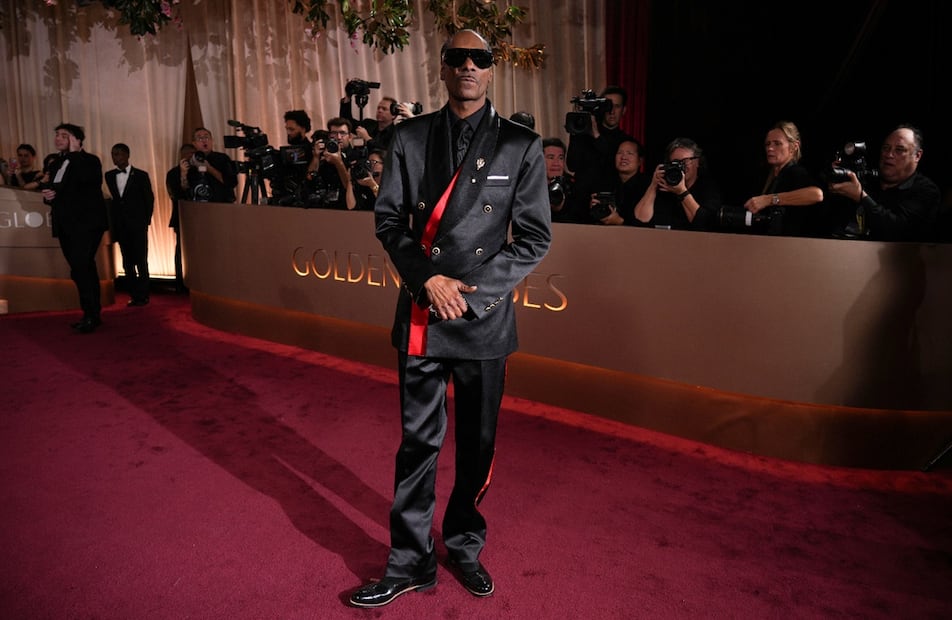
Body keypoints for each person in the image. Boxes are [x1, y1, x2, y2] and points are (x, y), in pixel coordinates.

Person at [349, 29, 551, 608]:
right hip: (422, 312)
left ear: (491, 71)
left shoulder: (520, 145)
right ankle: (409, 561)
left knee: (478, 446)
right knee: (417, 444)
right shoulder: (408, 138)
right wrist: (428, 280)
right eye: (456, 58)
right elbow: (389, 222)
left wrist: (469, 293)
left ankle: (463, 541)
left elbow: (534, 238)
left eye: (479, 58)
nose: (467, 66)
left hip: (482, 319)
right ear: (441, 69)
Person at [40, 123, 108, 333]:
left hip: (87, 223)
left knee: (80, 265)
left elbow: (89, 182)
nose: (59, 139)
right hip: (65, 224)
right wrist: (48, 196)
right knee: (82, 267)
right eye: (57, 135)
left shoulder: (89, 161)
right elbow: (54, 191)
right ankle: (92, 312)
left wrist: (75, 154)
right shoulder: (55, 163)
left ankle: (90, 314)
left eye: (64, 135)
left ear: (77, 140)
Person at [827, 124, 940, 242]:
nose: (889, 155)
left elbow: (898, 231)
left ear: (917, 155)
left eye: (899, 150)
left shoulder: (926, 191)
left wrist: (861, 197)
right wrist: (838, 177)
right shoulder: (866, 180)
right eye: (886, 148)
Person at [742, 121, 823, 236]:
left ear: (794, 147)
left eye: (777, 143)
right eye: (768, 144)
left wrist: (770, 199)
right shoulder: (770, 177)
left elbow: (816, 194)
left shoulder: (796, 172)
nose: (770, 148)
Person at [633, 137, 721, 230]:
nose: (681, 167)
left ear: (697, 162)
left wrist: (682, 192)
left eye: (685, 161)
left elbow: (704, 223)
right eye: (675, 163)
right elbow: (639, 220)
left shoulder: (707, 188)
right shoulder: (663, 188)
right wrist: (653, 185)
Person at [105, 143, 155, 306]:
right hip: (121, 225)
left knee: (141, 260)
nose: (115, 157)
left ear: (127, 155)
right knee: (127, 261)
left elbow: (149, 199)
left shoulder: (141, 175)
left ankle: (144, 294)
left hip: (138, 224)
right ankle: (134, 294)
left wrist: (145, 221)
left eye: (118, 154)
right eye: (113, 154)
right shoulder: (109, 175)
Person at [565, 85, 635, 192]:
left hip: (610, 199)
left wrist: (596, 135)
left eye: (617, 106)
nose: (612, 111)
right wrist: (577, 132)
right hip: (581, 200)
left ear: (624, 110)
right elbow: (572, 165)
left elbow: (613, 165)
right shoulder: (583, 135)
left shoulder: (626, 142)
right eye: (608, 106)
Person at [586, 138, 650, 226]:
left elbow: (649, 225)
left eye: (629, 153)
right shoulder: (605, 184)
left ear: (640, 161)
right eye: (620, 153)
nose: (623, 157)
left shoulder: (648, 187)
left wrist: (620, 222)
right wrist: (595, 210)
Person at [166, 143, 196, 292]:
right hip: (181, 217)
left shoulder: (200, 170)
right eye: (188, 154)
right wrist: (183, 176)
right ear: (182, 155)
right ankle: (180, 283)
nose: (191, 157)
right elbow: (176, 195)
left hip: (201, 218)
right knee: (181, 250)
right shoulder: (173, 173)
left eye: (193, 153)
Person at [181, 127, 237, 203]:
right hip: (198, 207)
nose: (204, 141)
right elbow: (185, 191)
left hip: (222, 205)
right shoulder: (191, 162)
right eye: (200, 138)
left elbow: (232, 182)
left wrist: (209, 168)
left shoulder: (222, 158)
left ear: (211, 141)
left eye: (206, 137)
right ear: (194, 143)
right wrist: (183, 174)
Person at [542, 137, 580, 223]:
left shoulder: (574, 186)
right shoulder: (530, 186)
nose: (556, 163)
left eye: (560, 158)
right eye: (551, 158)